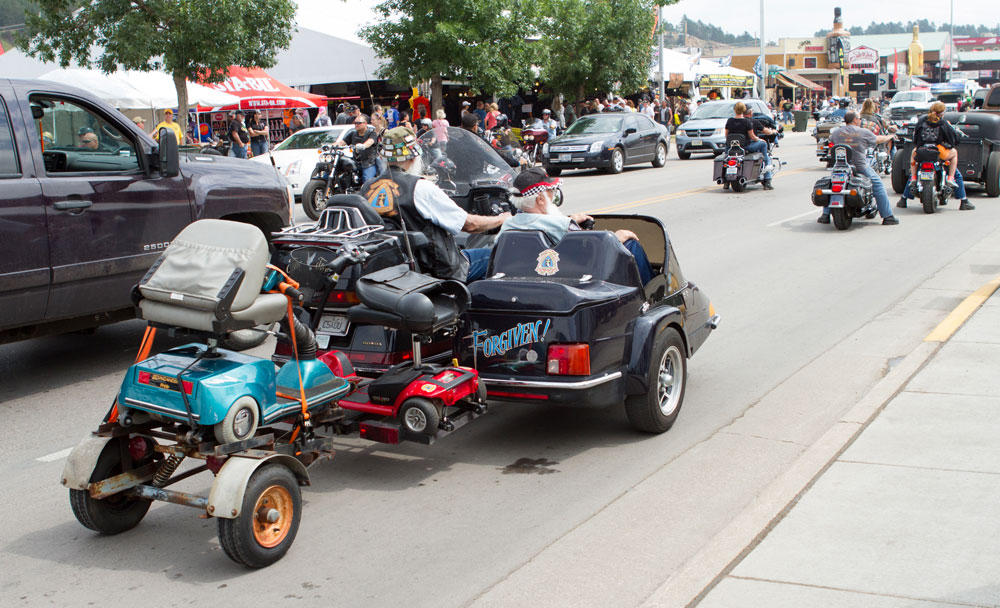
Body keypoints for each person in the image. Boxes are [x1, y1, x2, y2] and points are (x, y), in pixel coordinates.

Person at [360, 126, 509, 283]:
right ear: (413, 158)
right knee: (499, 255)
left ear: (384, 158)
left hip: (392, 269)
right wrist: (502, 219)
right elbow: (470, 225)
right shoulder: (420, 187)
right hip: (437, 270)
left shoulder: (367, 188)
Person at [500, 168, 654, 284]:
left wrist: (570, 220)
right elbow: (593, 250)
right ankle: (650, 298)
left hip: (525, 281)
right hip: (572, 280)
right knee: (632, 245)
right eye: (551, 192)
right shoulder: (561, 226)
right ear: (540, 199)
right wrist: (616, 237)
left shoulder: (508, 226)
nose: (553, 196)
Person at [819, 110, 899, 225]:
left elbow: (830, 141)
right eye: (859, 119)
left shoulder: (836, 132)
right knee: (878, 184)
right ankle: (888, 216)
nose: (860, 121)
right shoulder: (863, 132)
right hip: (859, 166)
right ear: (855, 120)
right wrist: (889, 137)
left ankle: (825, 215)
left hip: (839, 167)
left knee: (832, 185)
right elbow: (878, 139)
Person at [909, 101, 959, 189]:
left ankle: (913, 177)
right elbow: (952, 141)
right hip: (938, 151)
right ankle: (951, 178)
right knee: (954, 153)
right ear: (942, 113)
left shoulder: (921, 121)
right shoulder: (944, 123)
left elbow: (915, 139)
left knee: (913, 152)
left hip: (922, 151)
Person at [724, 102, 774, 190]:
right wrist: (759, 139)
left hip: (731, 147)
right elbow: (752, 137)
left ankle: (726, 181)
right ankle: (767, 174)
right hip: (746, 146)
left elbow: (726, 135)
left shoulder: (730, 120)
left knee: (726, 159)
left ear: (734, 110)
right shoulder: (747, 121)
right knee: (763, 144)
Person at [335, 115, 379, 183]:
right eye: (355, 123)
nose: (356, 125)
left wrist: (363, 145)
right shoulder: (353, 134)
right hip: (356, 162)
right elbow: (342, 142)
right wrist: (330, 146)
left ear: (365, 123)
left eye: (359, 123)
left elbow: (370, 141)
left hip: (368, 163)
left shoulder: (371, 133)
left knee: (367, 181)